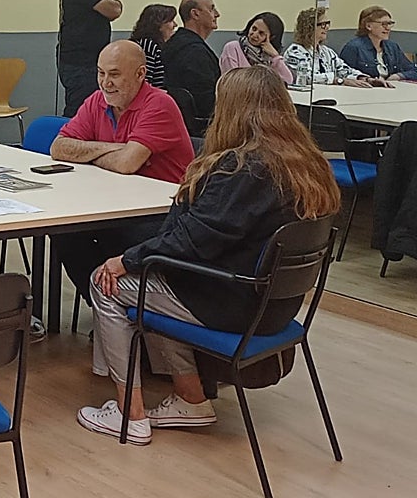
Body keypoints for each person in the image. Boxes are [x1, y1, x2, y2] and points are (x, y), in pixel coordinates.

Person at [77, 67, 340, 445]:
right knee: (158, 273)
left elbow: (192, 240)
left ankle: (128, 415)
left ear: (231, 110)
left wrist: (126, 260)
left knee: (108, 282)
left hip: (234, 305)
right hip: (278, 306)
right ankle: (190, 399)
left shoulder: (243, 169)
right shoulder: (307, 164)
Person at [50, 40, 194, 295]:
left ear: (140, 74)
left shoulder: (159, 104)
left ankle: (118, 303)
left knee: (91, 232)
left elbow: (127, 165)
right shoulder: (98, 101)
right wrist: (115, 148)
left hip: (159, 216)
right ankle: (101, 300)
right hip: (114, 204)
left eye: (115, 74)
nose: (106, 82)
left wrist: (89, 152)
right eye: (101, 73)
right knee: (64, 231)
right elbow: (59, 148)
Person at [283, 7, 378, 87]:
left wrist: (366, 79)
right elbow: (306, 78)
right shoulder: (295, 52)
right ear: (309, 27)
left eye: (328, 23)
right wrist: (339, 81)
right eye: (323, 24)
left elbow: (344, 70)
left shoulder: (327, 51)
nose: (327, 27)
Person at [162, 0, 221, 119]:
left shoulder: (174, 43)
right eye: (211, 9)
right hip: (202, 126)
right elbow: (206, 101)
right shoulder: (195, 53)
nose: (217, 14)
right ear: (195, 14)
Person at [339, 5, 417, 81]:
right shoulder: (353, 47)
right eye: (383, 24)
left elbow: (413, 70)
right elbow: (343, 74)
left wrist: (398, 76)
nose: (388, 28)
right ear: (368, 26)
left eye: (390, 24)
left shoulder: (392, 47)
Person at [218, 12, 292, 83]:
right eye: (254, 29)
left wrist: (275, 56)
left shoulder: (269, 58)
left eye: (261, 33)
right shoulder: (233, 48)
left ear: (271, 37)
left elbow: (288, 80)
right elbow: (232, 81)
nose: (254, 34)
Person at [129, 4, 177, 89]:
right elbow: (145, 82)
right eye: (171, 21)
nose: (175, 25)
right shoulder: (147, 45)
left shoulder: (151, 44)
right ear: (158, 25)